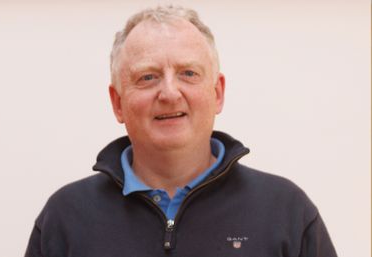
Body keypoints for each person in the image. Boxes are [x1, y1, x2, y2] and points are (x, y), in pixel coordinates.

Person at [25, 5, 337, 257]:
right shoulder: (65, 217)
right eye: (148, 77)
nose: (170, 93)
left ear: (217, 93)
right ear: (118, 103)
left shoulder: (287, 213)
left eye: (188, 73)